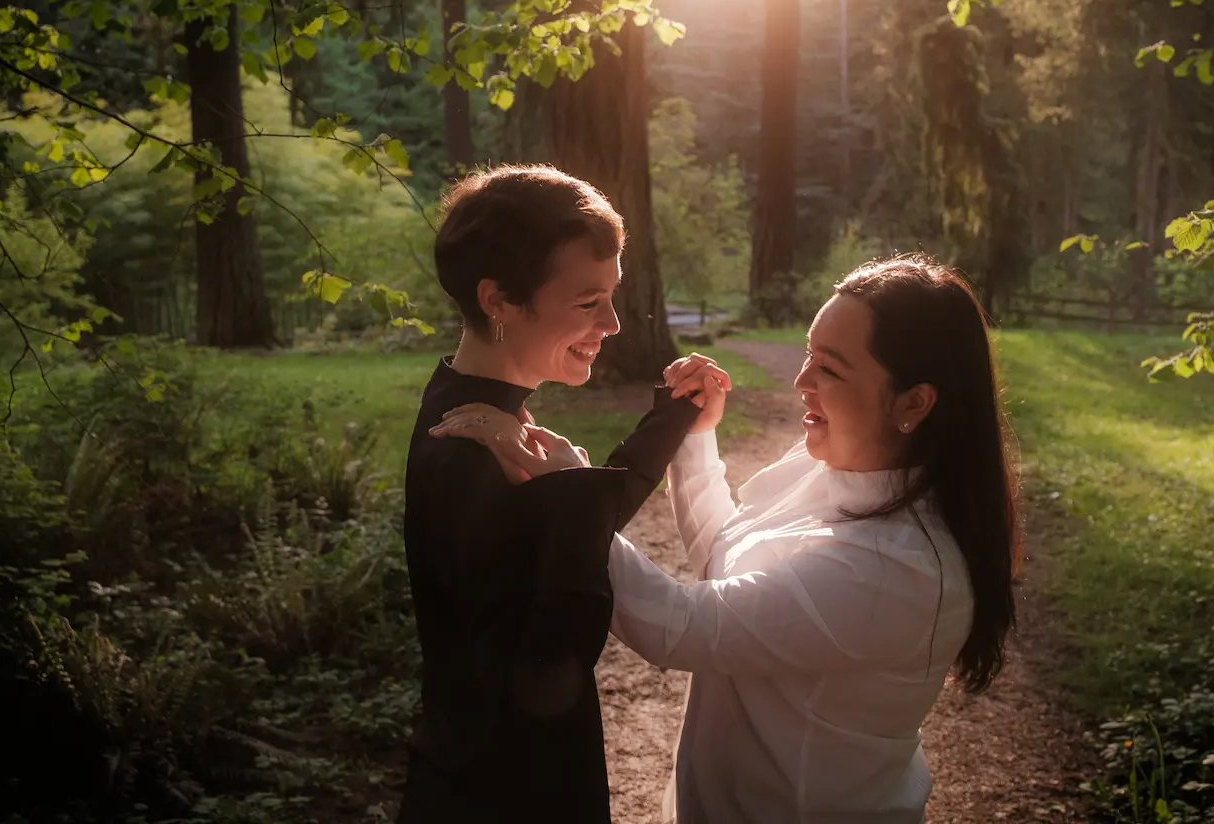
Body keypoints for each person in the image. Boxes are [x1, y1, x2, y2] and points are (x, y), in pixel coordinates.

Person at [446, 254, 1021, 823]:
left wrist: (570, 495)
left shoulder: (900, 569)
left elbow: (685, 626)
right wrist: (696, 437)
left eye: (831, 368)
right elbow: (729, 560)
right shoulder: (826, 463)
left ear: (914, 402)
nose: (801, 383)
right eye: (807, 355)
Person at [394, 165, 720, 824]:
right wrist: (570, 493)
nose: (615, 324)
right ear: (500, 301)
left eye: (613, 295)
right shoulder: (472, 451)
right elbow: (555, 653)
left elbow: (572, 523)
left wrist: (674, 416)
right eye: (586, 302)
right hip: (504, 791)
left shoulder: (475, 407)